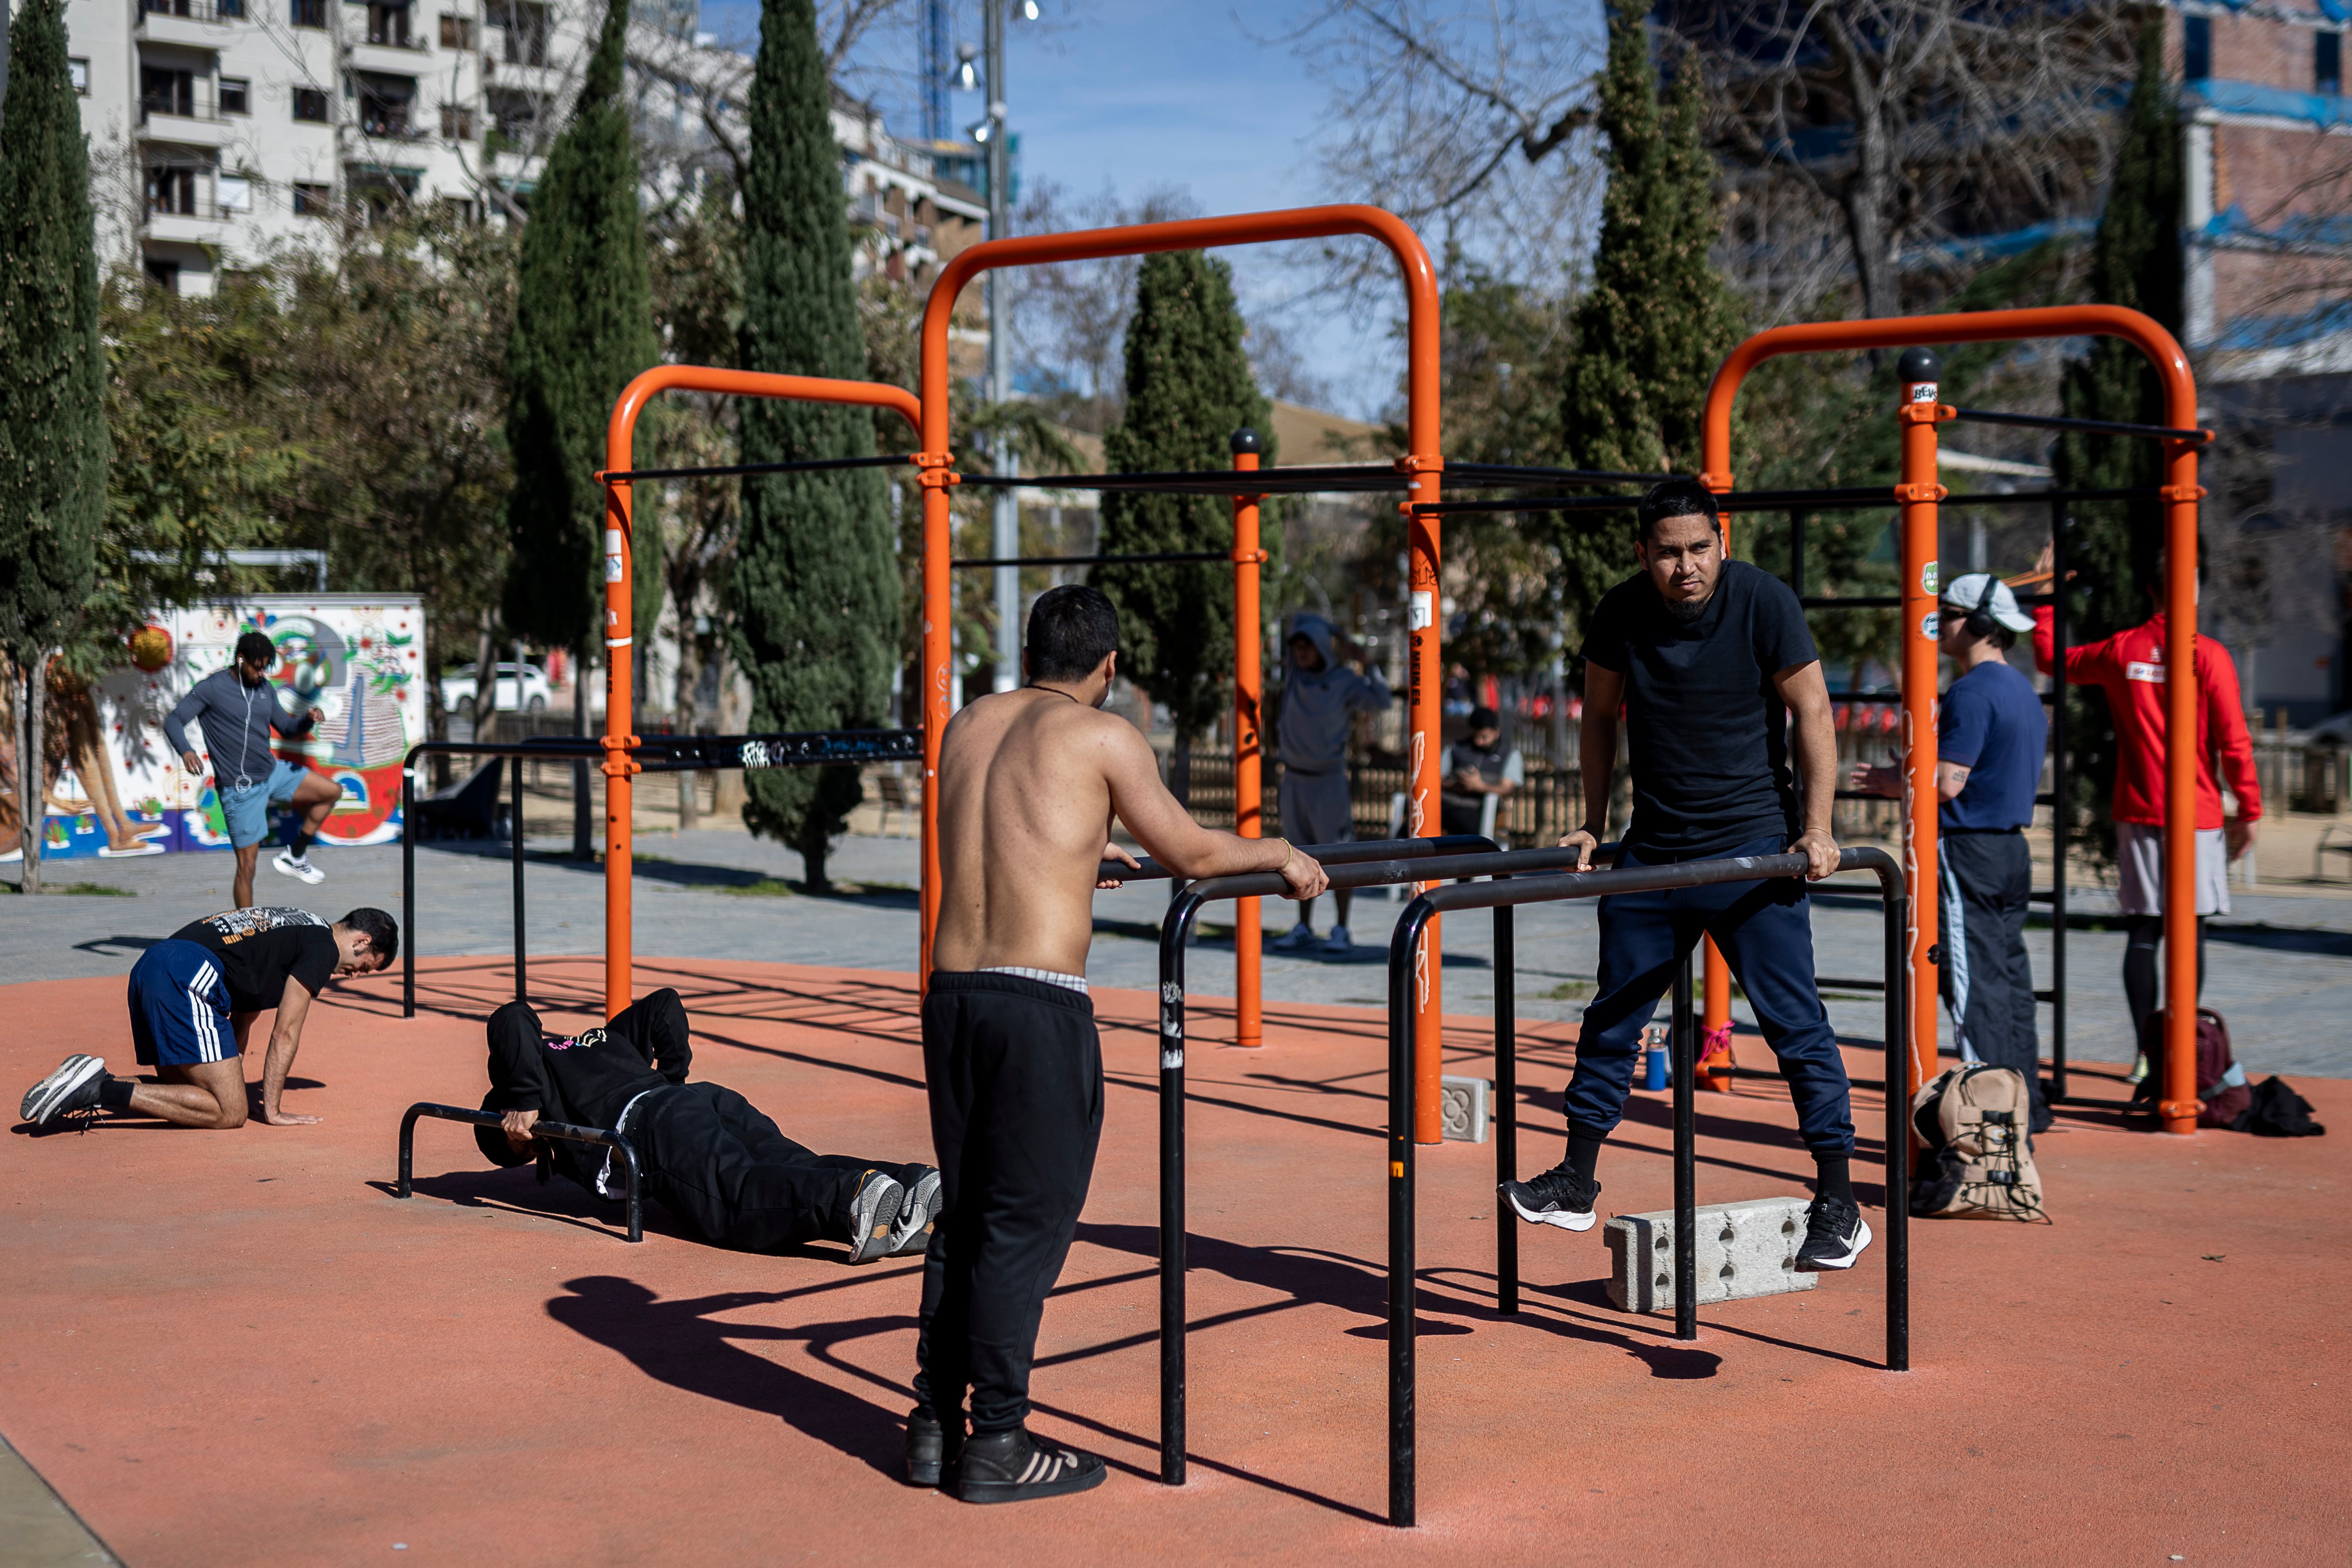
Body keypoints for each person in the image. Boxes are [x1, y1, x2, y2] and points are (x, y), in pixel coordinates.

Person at [914, 584, 1328, 1503]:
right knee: (1022, 1223)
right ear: (1109, 665)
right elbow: (1192, 853)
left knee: (967, 1217)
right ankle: (998, 1440)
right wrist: (1278, 852)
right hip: (1036, 1004)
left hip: (952, 996)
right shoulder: (1104, 737)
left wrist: (1074, 853)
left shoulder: (966, 725)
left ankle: (933, 1423)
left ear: (1031, 654)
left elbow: (996, 836)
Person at [1498, 478, 1869, 1273]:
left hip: (1751, 852)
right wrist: (1593, 820)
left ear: (1721, 542)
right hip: (1656, 850)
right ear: (1644, 553)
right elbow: (1600, 716)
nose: (1686, 566)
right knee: (1613, 1017)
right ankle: (1577, 1179)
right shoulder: (1620, 611)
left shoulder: (1763, 602)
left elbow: (1813, 710)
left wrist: (1816, 827)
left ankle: (1839, 1200)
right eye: (1668, 552)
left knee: (1795, 1025)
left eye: (1700, 548)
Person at [474, 988, 936, 1265]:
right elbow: (664, 1006)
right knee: (793, 1163)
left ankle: (851, 1198)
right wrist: (673, 1084)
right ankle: (910, 1185)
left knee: (734, 1198)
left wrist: (523, 1101)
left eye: (522, 1148)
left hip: (652, 1122)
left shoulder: (531, 1083)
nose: (533, 1150)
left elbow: (511, 1016)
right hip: (701, 1099)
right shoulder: (602, 1040)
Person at [2029, 542, 2261, 1088]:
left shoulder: (2123, 648)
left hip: (2137, 808)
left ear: (2151, 587)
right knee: (2190, 928)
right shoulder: (2208, 655)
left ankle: (2145, 1051)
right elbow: (2234, 741)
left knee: (2142, 930)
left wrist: (2045, 601)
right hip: (2197, 813)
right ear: (2194, 587)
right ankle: (2180, 1047)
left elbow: (2051, 661)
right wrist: (2249, 808)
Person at [1853, 573, 2051, 1132]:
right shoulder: (2022, 690)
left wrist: (1896, 781)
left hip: (1968, 848)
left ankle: (1992, 1116)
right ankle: (2026, 1102)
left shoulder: (1971, 691)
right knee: (2008, 978)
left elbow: (1947, 782)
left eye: (1950, 614)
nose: (1939, 623)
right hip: (2010, 850)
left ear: (1980, 623)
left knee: (1970, 983)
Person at [20, 906, 398, 1130]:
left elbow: (245, 1018)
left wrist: (232, 1078)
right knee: (230, 1112)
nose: (356, 975)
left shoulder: (300, 926)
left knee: (192, 1096)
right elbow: (285, 1033)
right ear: (362, 941)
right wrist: (273, 1110)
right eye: (367, 967)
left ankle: (86, 1080)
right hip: (186, 974)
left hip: (154, 966)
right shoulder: (323, 949)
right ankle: (100, 1091)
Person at [164, 630, 345, 907]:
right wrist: (186, 751)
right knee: (247, 868)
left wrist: (307, 720)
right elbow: (174, 720)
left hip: (272, 773)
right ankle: (247, 929)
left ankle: (295, 856)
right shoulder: (212, 688)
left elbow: (286, 727)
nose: (262, 674)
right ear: (241, 660)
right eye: (257, 668)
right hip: (240, 790)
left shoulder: (265, 689)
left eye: (265, 668)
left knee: (331, 792)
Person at [1272, 611, 1390, 952]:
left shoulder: (1344, 681)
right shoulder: (1295, 675)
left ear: (1323, 646)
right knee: (1295, 854)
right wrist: (1332, 628)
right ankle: (1304, 926)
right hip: (1294, 778)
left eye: (1308, 645)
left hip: (1328, 781)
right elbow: (1300, 618)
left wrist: (1364, 659)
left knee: (1339, 854)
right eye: (1298, 646)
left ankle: (1341, 927)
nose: (1301, 652)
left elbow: (1382, 700)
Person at [1440, 705, 1517, 838]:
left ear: (1496, 733)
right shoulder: (1456, 748)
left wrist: (1480, 786)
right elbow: (1438, 779)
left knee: (1466, 827)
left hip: (1478, 808)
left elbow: (1507, 788)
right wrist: (1458, 786)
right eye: (1476, 736)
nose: (1479, 742)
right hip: (1447, 803)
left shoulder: (1509, 755)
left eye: (1485, 737)